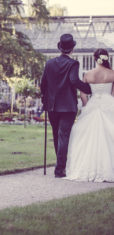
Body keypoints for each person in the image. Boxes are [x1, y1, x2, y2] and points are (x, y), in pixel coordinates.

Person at [40, 34, 92, 178]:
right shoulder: (73, 64)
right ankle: (59, 169)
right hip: (68, 106)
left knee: (57, 136)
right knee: (64, 136)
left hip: (52, 106)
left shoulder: (49, 63)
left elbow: (43, 84)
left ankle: (60, 167)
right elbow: (74, 80)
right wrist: (89, 89)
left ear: (60, 48)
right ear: (72, 49)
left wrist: (45, 98)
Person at [65, 48, 114, 182]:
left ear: (94, 59)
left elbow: (83, 94)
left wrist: (87, 105)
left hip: (92, 104)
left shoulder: (88, 74)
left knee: (88, 135)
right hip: (109, 103)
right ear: (106, 58)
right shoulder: (112, 73)